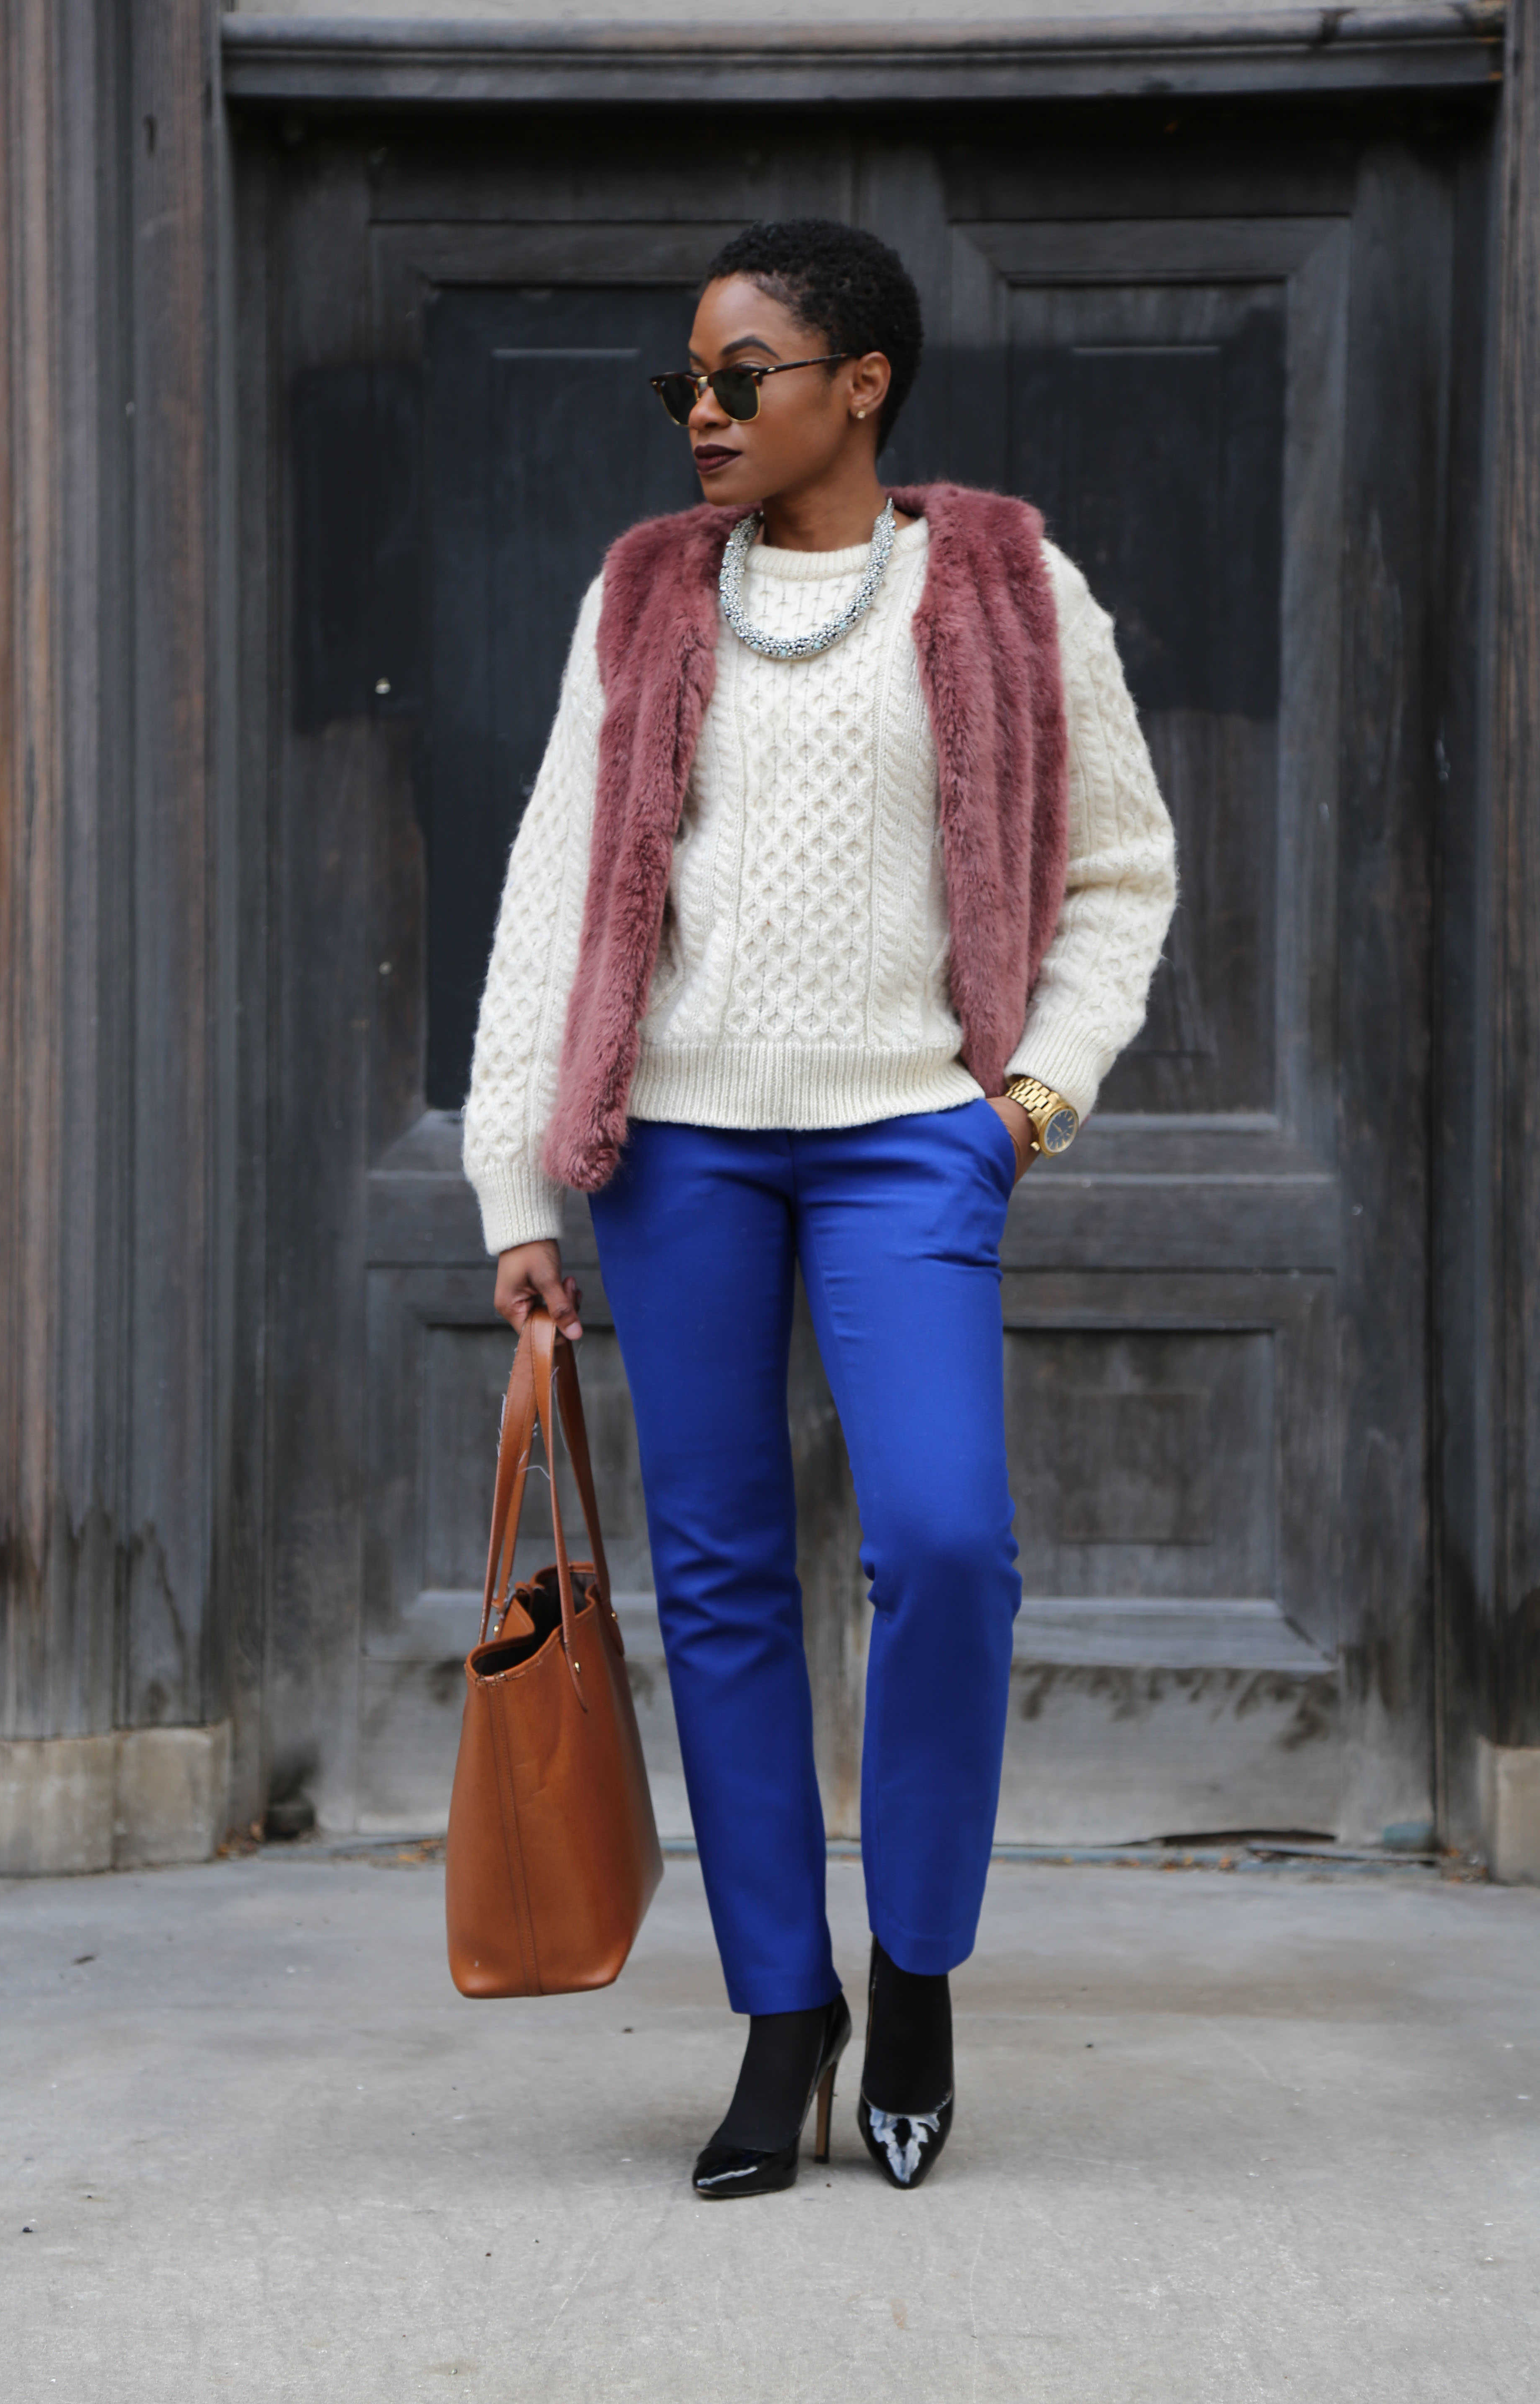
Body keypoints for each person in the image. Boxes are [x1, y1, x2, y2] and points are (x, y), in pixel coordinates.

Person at [463, 219, 1175, 2197]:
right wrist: (519, 1174)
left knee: (945, 1541)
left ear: (860, 384)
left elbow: (1122, 870)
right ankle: (784, 2011)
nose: (700, 413)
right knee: (717, 1582)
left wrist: (1030, 1100)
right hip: (680, 1146)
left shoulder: (1015, 589)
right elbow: (553, 895)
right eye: (683, 383)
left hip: (906, 1139)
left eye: (740, 375)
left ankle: (917, 1963)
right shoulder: (642, 601)